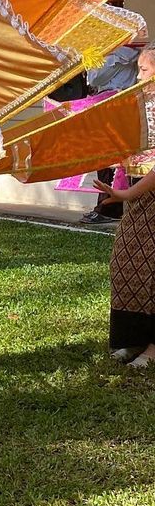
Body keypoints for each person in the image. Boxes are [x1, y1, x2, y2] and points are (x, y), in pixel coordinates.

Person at [96, 43, 155, 369]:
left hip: (147, 198)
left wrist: (129, 195)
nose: (138, 76)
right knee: (127, 267)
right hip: (140, 201)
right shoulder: (143, 105)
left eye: (144, 70)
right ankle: (131, 339)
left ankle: (152, 348)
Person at [82, 42, 141, 223]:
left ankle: (109, 209)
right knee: (107, 158)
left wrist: (108, 58)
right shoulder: (112, 52)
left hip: (117, 103)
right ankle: (107, 206)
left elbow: (95, 78)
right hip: (110, 103)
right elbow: (92, 79)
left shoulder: (125, 51)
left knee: (111, 159)